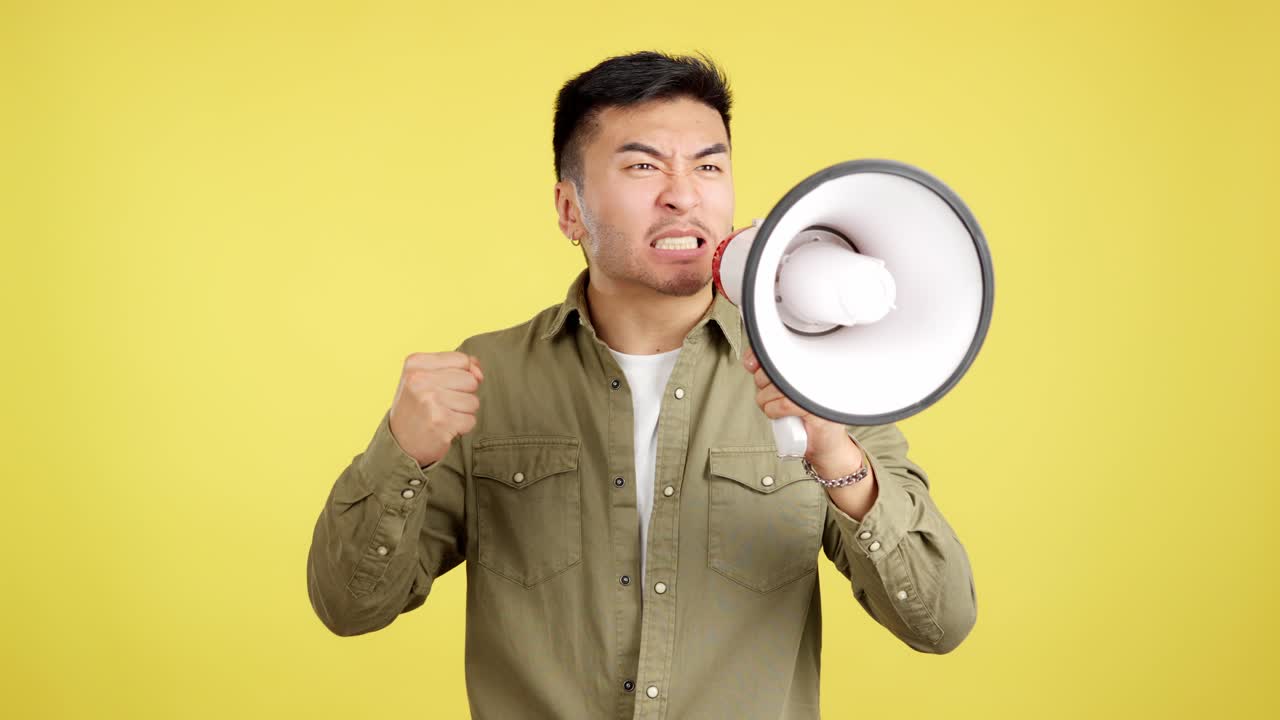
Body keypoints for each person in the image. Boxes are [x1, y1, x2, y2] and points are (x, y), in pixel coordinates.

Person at [306, 50, 977, 720]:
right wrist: (403, 450)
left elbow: (940, 620)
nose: (683, 194)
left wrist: (837, 457)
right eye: (642, 166)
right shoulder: (487, 381)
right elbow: (349, 607)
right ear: (570, 210)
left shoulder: (828, 380)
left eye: (709, 166)